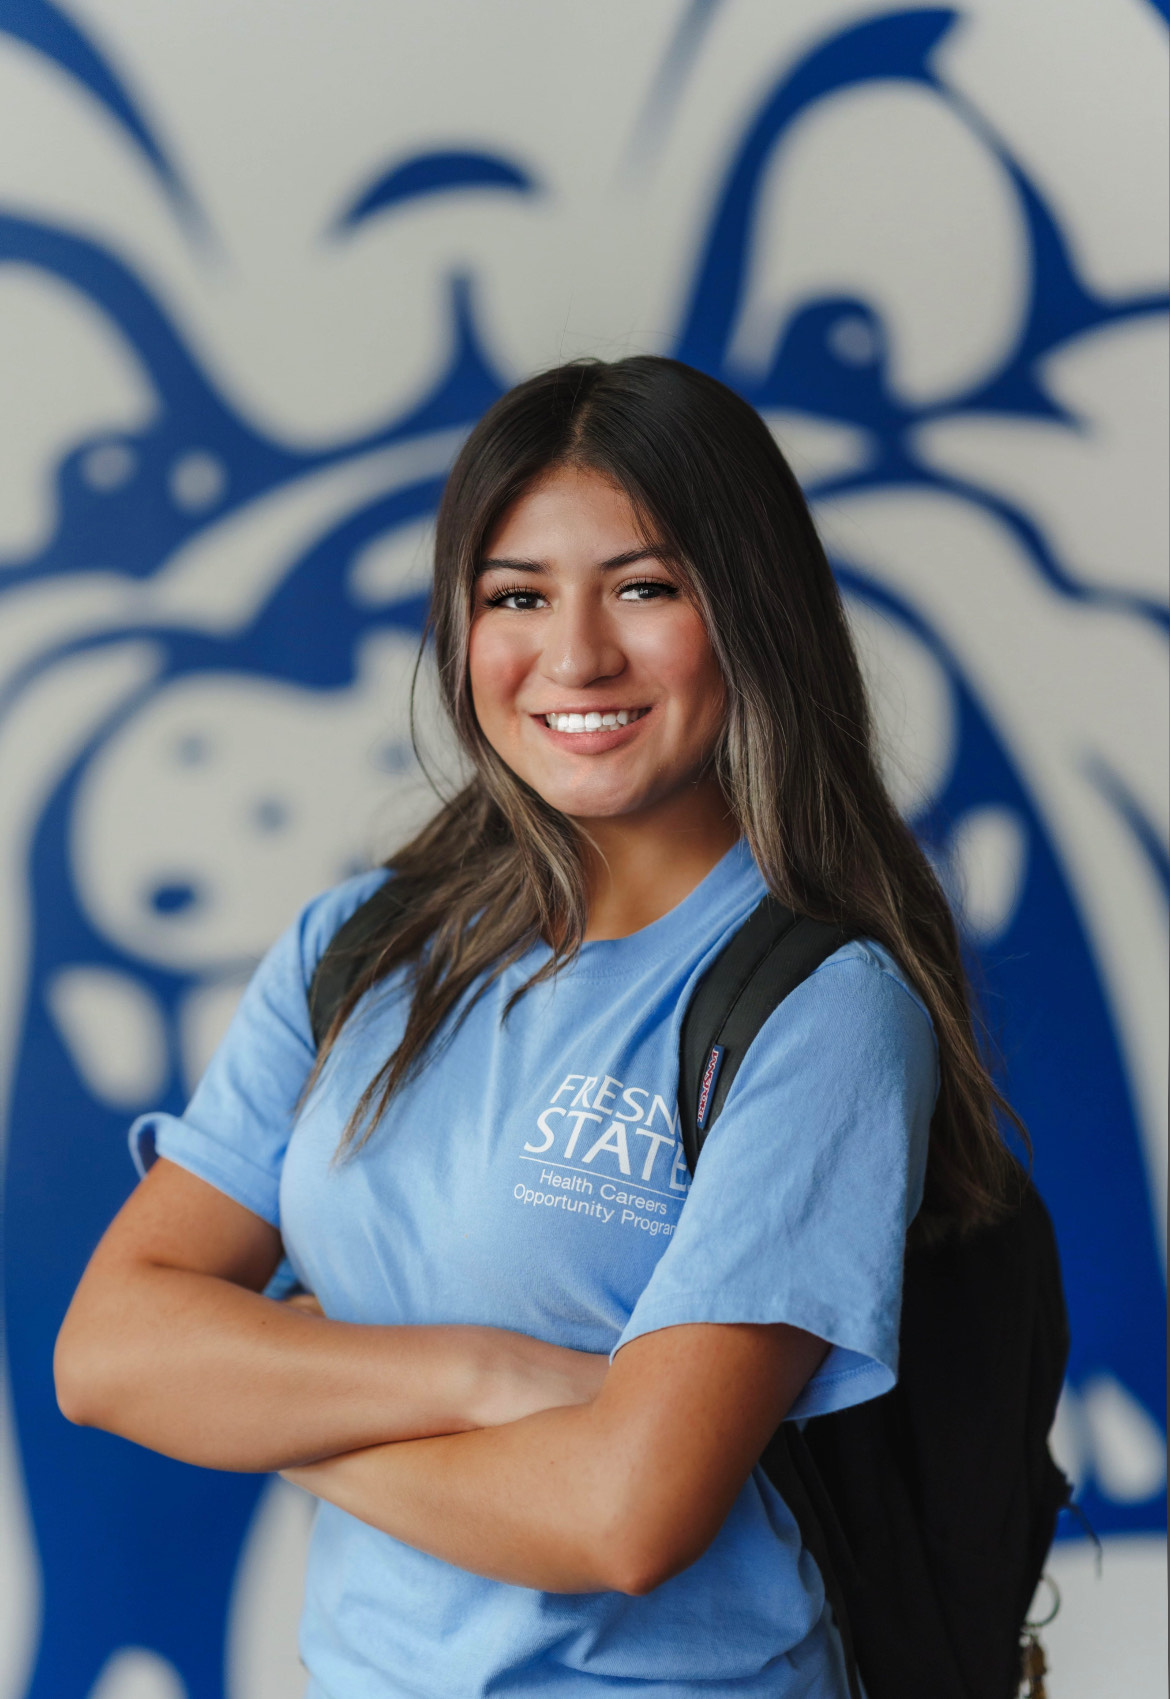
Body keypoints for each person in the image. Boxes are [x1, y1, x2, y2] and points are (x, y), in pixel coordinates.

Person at [55, 356, 1021, 1697]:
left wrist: (267, 1400)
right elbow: (106, 1354)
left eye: (645, 587)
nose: (575, 656)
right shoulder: (355, 950)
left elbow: (621, 1518)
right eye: (517, 595)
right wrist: (493, 1375)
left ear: (749, 611)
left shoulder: (818, 1008)